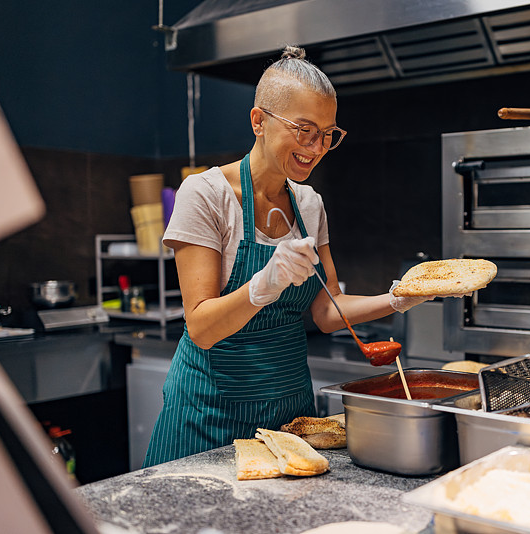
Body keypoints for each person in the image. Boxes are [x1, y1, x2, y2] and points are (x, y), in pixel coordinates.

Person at [142, 46, 442, 467]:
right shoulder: (207, 195)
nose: (316, 147)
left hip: (290, 417)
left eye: (327, 133)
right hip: (209, 414)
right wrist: (265, 283)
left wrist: (398, 299)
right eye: (304, 129)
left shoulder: (309, 204)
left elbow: (326, 310)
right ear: (258, 121)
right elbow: (202, 327)